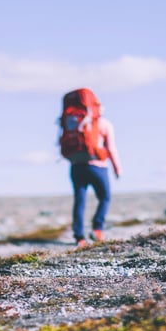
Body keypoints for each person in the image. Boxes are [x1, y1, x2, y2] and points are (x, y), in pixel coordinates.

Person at [60, 88, 122, 247]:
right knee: (105, 197)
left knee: (79, 200)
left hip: (76, 166)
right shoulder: (104, 124)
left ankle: (79, 237)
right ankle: (97, 229)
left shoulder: (72, 121)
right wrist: (117, 168)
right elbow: (111, 148)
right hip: (97, 167)